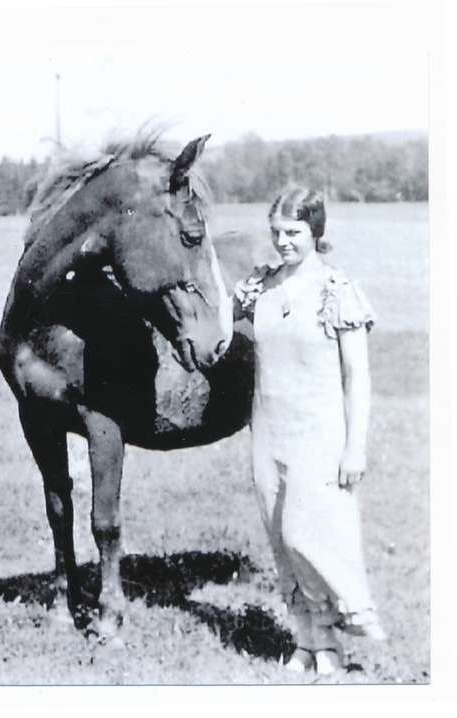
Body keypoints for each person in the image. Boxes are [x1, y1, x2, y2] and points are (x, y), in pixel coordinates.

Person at [235, 186, 386, 676]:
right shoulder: (259, 287)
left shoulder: (337, 290)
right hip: (268, 431)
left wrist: (354, 448)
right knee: (281, 539)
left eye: (294, 233)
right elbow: (217, 324)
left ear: (316, 232)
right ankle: (307, 643)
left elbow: (356, 376)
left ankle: (334, 645)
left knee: (308, 535)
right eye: (276, 233)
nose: (283, 242)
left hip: (318, 434)